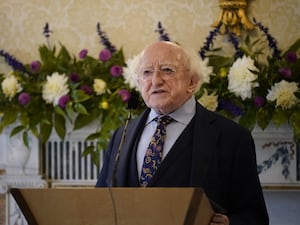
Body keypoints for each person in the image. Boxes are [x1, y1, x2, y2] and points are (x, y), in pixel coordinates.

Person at [96, 41, 269, 225]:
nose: (155, 80)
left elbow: (254, 217)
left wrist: (228, 223)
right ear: (139, 83)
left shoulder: (232, 137)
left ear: (192, 82)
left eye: (167, 70)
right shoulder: (120, 136)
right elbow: (99, 205)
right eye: (147, 72)